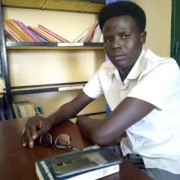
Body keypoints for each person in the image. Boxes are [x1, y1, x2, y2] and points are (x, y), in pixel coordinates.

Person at [22, 1, 180, 179]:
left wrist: (82, 120)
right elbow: (73, 106)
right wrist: (47, 121)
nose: (115, 45)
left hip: (165, 162)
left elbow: (102, 135)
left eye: (125, 36)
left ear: (142, 37)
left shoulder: (164, 69)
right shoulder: (106, 69)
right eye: (108, 39)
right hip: (128, 151)